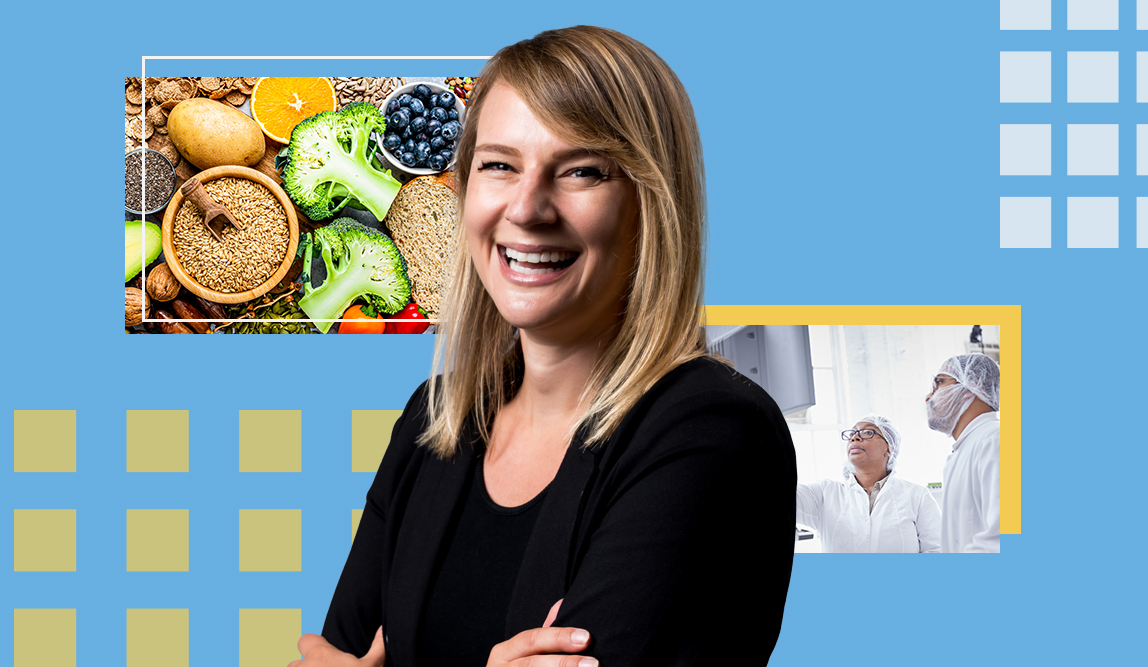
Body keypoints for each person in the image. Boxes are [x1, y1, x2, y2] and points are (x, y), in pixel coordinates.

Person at [291, 26, 797, 667]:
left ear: (653, 203)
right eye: (499, 165)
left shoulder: (713, 429)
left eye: (582, 171)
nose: (527, 208)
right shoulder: (434, 416)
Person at [795, 416, 940, 553]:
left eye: (867, 432)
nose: (855, 437)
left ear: (889, 448)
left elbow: (937, 551)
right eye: (852, 434)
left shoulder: (917, 496)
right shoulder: (826, 493)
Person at [925, 353, 1000, 553]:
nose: (928, 397)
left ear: (972, 386)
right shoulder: (960, 454)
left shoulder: (995, 441)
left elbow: (1001, 538)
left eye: (939, 383)